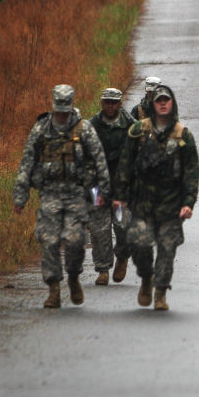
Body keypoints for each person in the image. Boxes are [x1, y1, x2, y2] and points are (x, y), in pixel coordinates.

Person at [13, 85, 110, 309]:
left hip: (77, 193)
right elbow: (27, 163)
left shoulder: (84, 129)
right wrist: (21, 197)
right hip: (50, 193)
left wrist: (102, 192)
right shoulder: (41, 129)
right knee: (49, 240)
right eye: (59, 111)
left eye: (65, 111)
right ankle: (54, 288)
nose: (62, 115)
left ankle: (74, 276)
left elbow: (99, 160)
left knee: (75, 240)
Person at [115, 84, 199, 311]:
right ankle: (146, 278)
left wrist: (188, 202)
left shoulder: (183, 135)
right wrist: (120, 196)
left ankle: (160, 291)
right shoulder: (138, 131)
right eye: (158, 100)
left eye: (166, 100)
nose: (162, 103)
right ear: (152, 104)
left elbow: (192, 172)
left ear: (172, 103)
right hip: (141, 203)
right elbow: (125, 164)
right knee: (139, 245)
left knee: (167, 249)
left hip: (171, 206)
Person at [88, 87, 136, 286]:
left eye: (113, 102)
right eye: (106, 102)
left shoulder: (131, 126)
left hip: (121, 186)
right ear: (101, 103)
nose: (110, 106)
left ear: (120, 103)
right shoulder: (91, 125)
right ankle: (103, 269)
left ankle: (122, 256)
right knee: (99, 229)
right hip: (97, 185)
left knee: (123, 226)